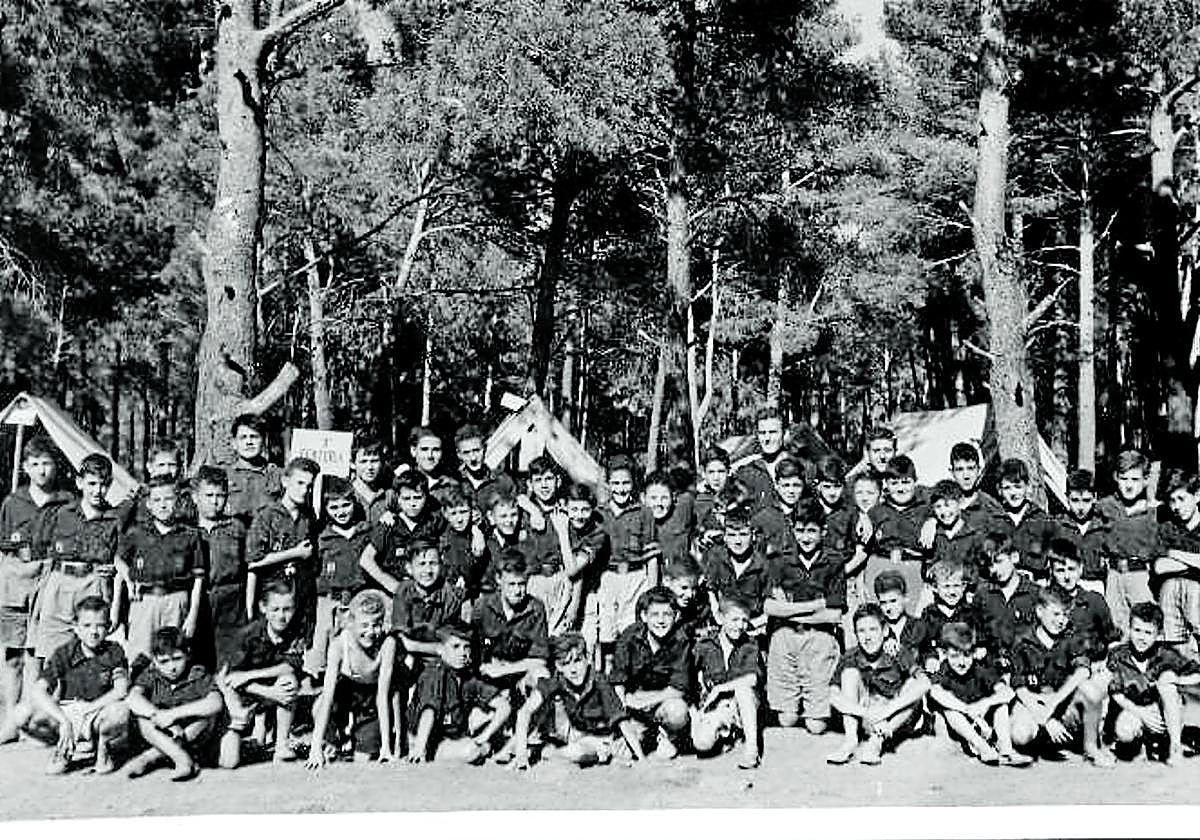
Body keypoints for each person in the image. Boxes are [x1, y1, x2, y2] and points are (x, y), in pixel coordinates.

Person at [0, 435, 71, 742]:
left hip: (49, 576)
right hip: (16, 577)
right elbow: (3, 548)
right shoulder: (13, 502)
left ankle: (29, 715)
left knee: (36, 653)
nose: (42, 470)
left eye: (47, 463)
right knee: (13, 653)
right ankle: (10, 717)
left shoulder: (67, 502)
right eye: (36, 464)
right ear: (26, 467)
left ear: (56, 466)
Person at [19, 596, 129, 775]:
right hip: (69, 711)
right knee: (22, 713)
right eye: (86, 626)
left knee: (120, 711)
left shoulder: (114, 651)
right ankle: (64, 745)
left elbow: (121, 689)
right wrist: (64, 721)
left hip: (97, 711)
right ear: (76, 628)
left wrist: (88, 710)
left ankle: (102, 748)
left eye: (100, 625)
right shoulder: (65, 652)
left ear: (108, 627)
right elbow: (39, 691)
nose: (93, 632)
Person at [29, 453, 123, 662]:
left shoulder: (115, 519)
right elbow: (42, 555)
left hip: (94, 585)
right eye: (91, 484)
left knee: (90, 655)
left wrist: (114, 604)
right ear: (80, 483)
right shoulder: (61, 513)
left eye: (103, 484)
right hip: (60, 584)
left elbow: (121, 560)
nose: (97, 491)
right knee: (52, 655)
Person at [1008, 587, 1113, 766]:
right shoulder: (1022, 640)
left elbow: (1083, 671)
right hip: (1034, 703)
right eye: (1055, 614)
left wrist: (1054, 703)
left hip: (1063, 702)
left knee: (1091, 691)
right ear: (1040, 612)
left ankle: (1091, 747)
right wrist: (1045, 717)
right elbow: (1019, 686)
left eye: (1065, 615)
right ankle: (1045, 741)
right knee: (1020, 735)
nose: (1061, 621)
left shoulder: (1071, 636)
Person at [764, 498, 843, 734]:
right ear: (792, 528)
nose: (806, 537)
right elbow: (769, 607)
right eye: (800, 530)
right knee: (787, 720)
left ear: (823, 531)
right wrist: (816, 605)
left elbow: (834, 614)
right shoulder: (779, 560)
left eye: (812, 531)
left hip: (819, 639)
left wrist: (789, 610)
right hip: (785, 637)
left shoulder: (834, 561)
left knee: (816, 725)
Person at [510, 633, 644, 769]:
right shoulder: (556, 681)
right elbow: (524, 712)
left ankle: (606, 754)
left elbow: (621, 721)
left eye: (578, 661)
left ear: (587, 658)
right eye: (565, 664)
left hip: (601, 737)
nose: (573, 669)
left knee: (575, 752)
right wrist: (521, 755)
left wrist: (641, 758)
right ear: (558, 666)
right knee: (548, 711)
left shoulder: (599, 682)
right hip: (574, 734)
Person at [113, 475, 205, 665]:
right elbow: (118, 559)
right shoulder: (137, 533)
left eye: (168, 499)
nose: (163, 505)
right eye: (157, 500)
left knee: (174, 657)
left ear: (178, 501)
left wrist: (192, 614)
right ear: (149, 504)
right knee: (140, 657)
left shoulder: (190, 535)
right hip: (144, 601)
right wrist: (129, 581)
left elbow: (198, 577)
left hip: (177, 601)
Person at [305, 591, 401, 768]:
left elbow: (383, 696)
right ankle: (332, 740)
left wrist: (386, 747)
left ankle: (363, 739)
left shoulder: (388, 644)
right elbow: (327, 697)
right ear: (351, 623)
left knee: (362, 759)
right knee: (318, 706)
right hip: (346, 694)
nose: (371, 632)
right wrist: (315, 747)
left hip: (372, 698)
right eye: (364, 625)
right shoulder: (339, 644)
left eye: (376, 625)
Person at [826, 603, 930, 766]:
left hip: (894, 721)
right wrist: (868, 713)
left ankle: (875, 743)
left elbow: (925, 683)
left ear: (885, 630)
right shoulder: (850, 656)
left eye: (873, 629)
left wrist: (886, 712)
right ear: (856, 634)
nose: (868, 637)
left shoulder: (897, 652)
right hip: (866, 716)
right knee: (849, 674)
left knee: (912, 685)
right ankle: (850, 741)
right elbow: (832, 695)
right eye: (862, 631)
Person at [217, 581, 306, 767]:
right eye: (275, 609)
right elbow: (231, 679)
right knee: (229, 761)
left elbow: (292, 666)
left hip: (268, 689)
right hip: (243, 695)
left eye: (287, 609)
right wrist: (265, 691)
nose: (282, 616)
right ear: (263, 608)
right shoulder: (247, 635)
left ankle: (281, 744)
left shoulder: (297, 629)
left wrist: (252, 675)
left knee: (289, 681)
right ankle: (248, 739)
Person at [124, 626, 223, 780]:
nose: (172, 667)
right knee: (143, 719)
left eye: (177, 658)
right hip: (164, 731)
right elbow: (133, 698)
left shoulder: (196, 673)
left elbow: (215, 702)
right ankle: (182, 760)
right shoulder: (151, 674)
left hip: (190, 735)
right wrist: (161, 718)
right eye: (164, 661)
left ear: (188, 654)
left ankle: (151, 757)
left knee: (205, 719)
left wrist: (172, 715)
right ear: (155, 661)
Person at [406, 620, 511, 763]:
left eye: (466, 647)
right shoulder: (435, 673)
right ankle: (480, 748)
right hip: (426, 737)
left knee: (491, 711)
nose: (462, 653)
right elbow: (428, 711)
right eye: (455, 647)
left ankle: (483, 745)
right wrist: (419, 748)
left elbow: (504, 706)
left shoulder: (466, 676)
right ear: (441, 650)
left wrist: (483, 737)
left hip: (453, 731)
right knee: (472, 751)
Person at [1108, 602, 1200, 764]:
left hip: (1164, 708)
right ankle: (1144, 743)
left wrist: (1177, 681)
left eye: (1148, 632)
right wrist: (1140, 713)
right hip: (1134, 709)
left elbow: (1197, 673)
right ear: (1129, 630)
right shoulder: (1118, 655)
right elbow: (1115, 691)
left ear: (1159, 635)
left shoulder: (1166, 654)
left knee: (1167, 678)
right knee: (1124, 732)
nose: (1141, 637)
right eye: (1137, 630)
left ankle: (1175, 745)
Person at [927, 622, 1028, 766]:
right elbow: (935, 692)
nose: (961, 663)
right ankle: (982, 747)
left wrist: (984, 704)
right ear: (943, 654)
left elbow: (1008, 692)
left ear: (975, 653)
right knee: (950, 711)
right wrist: (968, 710)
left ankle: (1006, 750)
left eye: (967, 655)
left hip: (982, 722)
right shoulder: (943, 670)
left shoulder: (979, 669)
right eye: (955, 656)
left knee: (1001, 705)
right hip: (959, 727)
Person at [610, 587, 692, 759]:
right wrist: (625, 707)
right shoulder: (629, 637)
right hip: (633, 703)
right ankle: (648, 734)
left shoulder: (681, 640)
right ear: (643, 616)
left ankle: (668, 735)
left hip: (663, 700)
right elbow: (619, 681)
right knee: (623, 752)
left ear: (676, 616)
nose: (661, 621)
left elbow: (679, 688)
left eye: (667, 615)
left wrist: (646, 701)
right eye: (655, 615)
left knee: (678, 712)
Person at [245, 458, 319, 640]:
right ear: (285, 482)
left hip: (300, 599)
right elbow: (254, 561)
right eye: (299, 483)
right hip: (273, 600)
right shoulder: (267, 515)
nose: (304, 490)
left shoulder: (308, 516)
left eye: (309, 486)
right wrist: (294, 553)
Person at [307, 476, 372, 677]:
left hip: (357, 599)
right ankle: (316, 683)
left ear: (354, 503)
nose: (341, 512)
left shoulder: (365, 531)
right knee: (321, 646)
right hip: (329, 600)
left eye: (346, 505)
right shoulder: (323, 537)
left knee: (353, 649)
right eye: (334, 508)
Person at [690, 594, 763, 769]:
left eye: (744, 621)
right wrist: (695, 715)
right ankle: (728, 735)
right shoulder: (705, 645)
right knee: (702, 743)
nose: (740, 626)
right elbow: (687, 679)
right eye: (734, 619)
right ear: (720, 618)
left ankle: (752, 749)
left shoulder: (749, 645)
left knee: (744, 689)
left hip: (741, 706)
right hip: (715, 706)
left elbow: (752, 678)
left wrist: (721, 689)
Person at [598, 456, 658, 663]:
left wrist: (652, 591)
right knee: (606, 632)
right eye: (615, 483)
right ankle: (606, 676)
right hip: (608, 577)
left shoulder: (644, 513)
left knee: (632, 631)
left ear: (633, 484)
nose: (621, 489)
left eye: (626, 483)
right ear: (608, 484)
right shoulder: (600, 513)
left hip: (635, 577)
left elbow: (651, 557)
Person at [521, 459, 588, 636]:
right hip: (531, 584)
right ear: (530, 484)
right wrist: (530, 508)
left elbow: (576, 567)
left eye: (549, 479)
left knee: (557, 639)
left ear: (558, 481)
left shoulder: (567, 514)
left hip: (560, 583)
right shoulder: (523, 515)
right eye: (538, 480)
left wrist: (574, 605)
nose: (544, 485)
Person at [192, 466, 248, 671]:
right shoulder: (186, 529)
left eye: (220, 495)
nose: (215, 501)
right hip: (197, 600)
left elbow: (250, 566)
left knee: (229, 660)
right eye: (208, 495)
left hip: (231, 602)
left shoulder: (237, 528)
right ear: (195, 497)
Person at [1098, 450, 1160, 635]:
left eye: (1135, 479)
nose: (1129, 485)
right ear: (1116, 477)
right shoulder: (1105, 506)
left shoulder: (1153, 512)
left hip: (1141, 575)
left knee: (1145, 626)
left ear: (1146, 479)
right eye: (1124, 479)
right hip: (1113, 575)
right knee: (1117, 629)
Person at [473, 552, 550, 697]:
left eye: (521, 584)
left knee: (542, 675)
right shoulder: (482, 607)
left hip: (520, 674)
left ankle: (528, 716)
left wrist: (505, 670)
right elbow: (473, 648)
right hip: (488, 675)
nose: (517, 591)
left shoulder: (535, 609)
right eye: (511, 584)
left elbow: (540, 660)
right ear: (498, 580)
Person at [360, 469, 445, 595]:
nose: (412, 504)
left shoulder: (433, 523)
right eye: (406, 498)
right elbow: (366, 560)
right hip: (393, 593)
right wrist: (392, 585)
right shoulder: (388, 524)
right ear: (398, 499)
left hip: (426, 590)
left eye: (418, 498)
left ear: (426, 497)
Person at [865, 455, 929, 614]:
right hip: (881, 564)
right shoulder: (876, 512)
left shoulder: (925, 510)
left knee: (912, 614)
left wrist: (932, 521)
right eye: (894, 483)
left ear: (915, 481)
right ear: (886, 484)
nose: (901, 489)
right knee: (877, 614)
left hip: (912, 566)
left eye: (906, 482)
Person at [391, 540, 467, 667]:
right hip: (414, 652)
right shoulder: (404, 591)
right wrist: (437, 648)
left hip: (442, 656)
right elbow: (402, 640)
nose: (428, 570)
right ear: (409, 568)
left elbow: (454, 639)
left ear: (441, 565)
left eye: (433, 564)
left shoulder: (450, 595)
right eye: (421, 564)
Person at [1045, 538, 1119, 665]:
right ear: (1051, 572)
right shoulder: (1043, 602)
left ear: (1081, 569)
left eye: (1071, 569)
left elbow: (1112, 639)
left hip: (1090, 666)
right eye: (1060, 571)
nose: (1067, 577)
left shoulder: (1094, 601)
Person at [1153, 470, 1200, 658]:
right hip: (1173, 602)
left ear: (1197, 496)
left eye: (1181, 499)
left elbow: (1169, 560)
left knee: (1192, 588)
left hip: (1197, 599)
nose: (1176, 507)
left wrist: (1174, 554)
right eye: (1172, 501)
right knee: (1171, 585)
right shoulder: (1168, 528)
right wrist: (1195, 563)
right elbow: (1159, 566)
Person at [701, 504, 771, 628]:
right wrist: (717, 615)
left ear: (753, 536)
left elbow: (772, 606)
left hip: (752, 625)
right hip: (722, 624)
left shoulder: (763, 566)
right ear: (725, 537)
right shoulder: (716, 558)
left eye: (743, 535)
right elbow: (711, 590)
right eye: (732, 535)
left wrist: (753, 624)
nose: (738, 541)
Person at [973, 534, 1040, 663]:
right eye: (990, 565)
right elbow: (978, 636)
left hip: (1025, 663)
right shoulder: (983, 595)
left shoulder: (1035, 594)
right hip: (992, 663)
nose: (995, 570)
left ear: (1014, 557)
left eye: (999, 561)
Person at [991, 458, 1060, 582]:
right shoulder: (995, 521)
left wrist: (1023, 559)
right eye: (1007, 488)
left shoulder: (1042, 519)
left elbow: (1052, 559)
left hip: (1036, 583)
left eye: (1018, 487)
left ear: (1027, 487)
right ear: (999, 491)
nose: (1013, 493)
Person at [565, 483, 611, 658]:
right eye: (574, 509)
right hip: (559, 590)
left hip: (588, 593)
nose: (579, 515)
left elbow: (574, 570)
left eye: (585, 510)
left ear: (592, 509)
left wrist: (575, 602)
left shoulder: (598, 534)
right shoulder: (561, 522)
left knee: (587, 644)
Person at [915, 559, 979, 672]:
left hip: (964, 665)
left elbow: (978, 640)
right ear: (935, 588)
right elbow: (924, 645)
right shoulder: (929, 614)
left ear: (964, 587)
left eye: (956, 586)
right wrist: (930, 658)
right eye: (946, 586)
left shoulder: (970, 613)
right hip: (939, 667)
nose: (952, 592)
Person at [121, 441, 197, 531]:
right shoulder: (137, 499)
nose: (166, 470)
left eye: (172, 465)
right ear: (149, 467)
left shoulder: (188, 498)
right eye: (161, 465)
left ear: (179, 468)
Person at [1056, 469, 1110, 595]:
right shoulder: (1058, 525)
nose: (1080, 507)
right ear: (1066, 497)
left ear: (1094, 497)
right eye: (1075, 500)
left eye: (1086, 500)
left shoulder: (1103, 527)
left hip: (1095, 584)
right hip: (1065, 584)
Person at [225, 414, 282, 529]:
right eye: (243, 437)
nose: (249, 442)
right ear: (234, 443)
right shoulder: (224, 475)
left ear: (264, 440)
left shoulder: (277, 475)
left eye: (254, 437)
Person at [750, 457, 808, 564]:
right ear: (776, 485)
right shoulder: (762, 518)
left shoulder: (810, 515)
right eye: (786, 485)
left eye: (796, 485)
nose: (791, 491)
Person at [454, 424, 516, 517]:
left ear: (485, 449)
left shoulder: (503, 481)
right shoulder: (454, 485)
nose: (473, 458)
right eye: (466, 453)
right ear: (459, 455)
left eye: (476, 450)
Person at [734, 407, 789, 510]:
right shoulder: (746, 472)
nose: (767, 439)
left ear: (784, 433)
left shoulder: (802, 468)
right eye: (762, 433)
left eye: (773, 432)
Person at [643, 471, 696, 569]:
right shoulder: (636, 521)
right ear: (643, 498)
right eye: (653, 498)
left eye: (664, 498)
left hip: (679, 576)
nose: (658, 503)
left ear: (674, 497)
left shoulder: (683, 510)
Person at [437, 486, 485, 593]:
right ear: (445, 513)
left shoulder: (478, 534)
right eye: (453, 513)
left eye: (463, 512)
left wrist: (477, 529)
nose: (459, 519)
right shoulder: (442, 536)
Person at [874, 570, 929, 654]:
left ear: (905, 598)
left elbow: (928, 653)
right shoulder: (876, 629)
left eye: (893, 601)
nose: (888, 608)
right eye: (883, 603)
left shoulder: (919, 627)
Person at [664, 556, 712, 642]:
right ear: (667, 581)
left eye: (694, 588)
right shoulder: (655, 607)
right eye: (684, 588)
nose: (690, 595)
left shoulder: (698, 609)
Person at [350, 438, 395, 526]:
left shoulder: (389, 496)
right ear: (352, 464)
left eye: (374, 461)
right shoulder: (345, 494)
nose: (370, 467)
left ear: (382, 463)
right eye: (363, 461)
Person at [695, 448, 731, 526]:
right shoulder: (697, 502)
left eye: (721, 471)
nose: (716, 478)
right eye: (711, 472)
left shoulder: (736, 497)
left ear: (728, 472)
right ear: (704, 473)